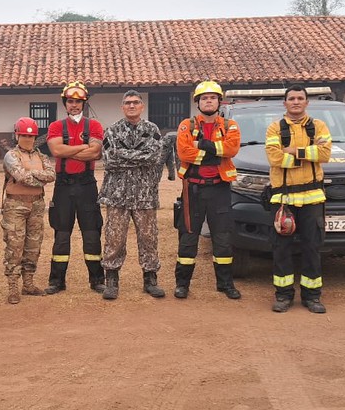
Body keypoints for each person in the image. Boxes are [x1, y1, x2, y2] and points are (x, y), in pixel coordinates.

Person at [265, 85, 332, 314]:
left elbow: (325, 154)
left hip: (313, 199)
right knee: (281, 249)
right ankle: (283, 296)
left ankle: (312, 297)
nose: (295, 101)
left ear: (306, 102)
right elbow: (274, 157)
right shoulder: (275, 127)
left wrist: (293, 151)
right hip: (283, 198)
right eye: (291, 98)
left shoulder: (319, 126)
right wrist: (308, 153)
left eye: (300, 98)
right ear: (284, 103)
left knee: (312, 248)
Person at [174, 81, 242, 300]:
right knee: (188, 238)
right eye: (204, 98)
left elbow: (231, 149)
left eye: (213, 97)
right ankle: (182, 284)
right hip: (193, 190)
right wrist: (216, 152)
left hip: (220, 189)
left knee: (222, 238)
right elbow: (184, 153)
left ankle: (225, 284)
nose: (209, 101)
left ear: (219, 101)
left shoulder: (230, 125)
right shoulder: (187, 124)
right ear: (198, 102)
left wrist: (202, 146)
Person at [99, 90, 166, 300]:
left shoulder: (152, 129)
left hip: (144, 194)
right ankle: (111, 280)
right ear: (122, 107)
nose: (131, 106)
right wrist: (139, 156)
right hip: (117, 194)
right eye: (127, 103)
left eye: (136, 102)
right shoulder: (112, 130)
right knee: (114, 238)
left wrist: (124, 154)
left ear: (142, 106)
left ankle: (150, 279)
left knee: (148, 238)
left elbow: (154, 157)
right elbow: (109, 160)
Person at [45, 81, 106, 295]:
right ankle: (57, 281)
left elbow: (96, 153)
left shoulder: (95, 126)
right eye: (70, 101)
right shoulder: (56, 126)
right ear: (65, 103)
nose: (74, 105)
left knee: (92, 234)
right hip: (63, 186)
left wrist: (68, 150)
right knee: (61, 235)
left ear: (84, 103)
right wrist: (82, 147)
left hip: (87, 184)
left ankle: (97, 279)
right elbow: (56, 151)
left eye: (78, 101)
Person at [0, 117, 56, 304]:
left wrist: (32, 175)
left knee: (33, 246)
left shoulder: (41, 156)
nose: (27, 139)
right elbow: (21, 177)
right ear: (17, 135)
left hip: (37, 205)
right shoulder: (11, 155)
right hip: (15, 205)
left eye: (31, 136)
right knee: (15, 247)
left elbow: (52, 175)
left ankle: (28, 283)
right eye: (24, 135)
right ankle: (13, 287)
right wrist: (38, 177)